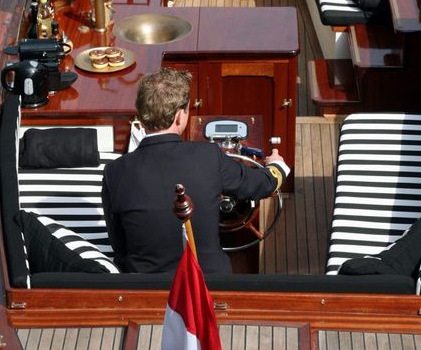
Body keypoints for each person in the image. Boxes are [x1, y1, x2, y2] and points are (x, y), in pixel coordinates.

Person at [101, 68, 290, 275]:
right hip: (207, 283)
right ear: (180, 117)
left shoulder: (114, 172)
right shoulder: (209, 156)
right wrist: (276, 166)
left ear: (141, 115)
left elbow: (119, 246)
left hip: (146, 286)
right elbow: (261, 185)